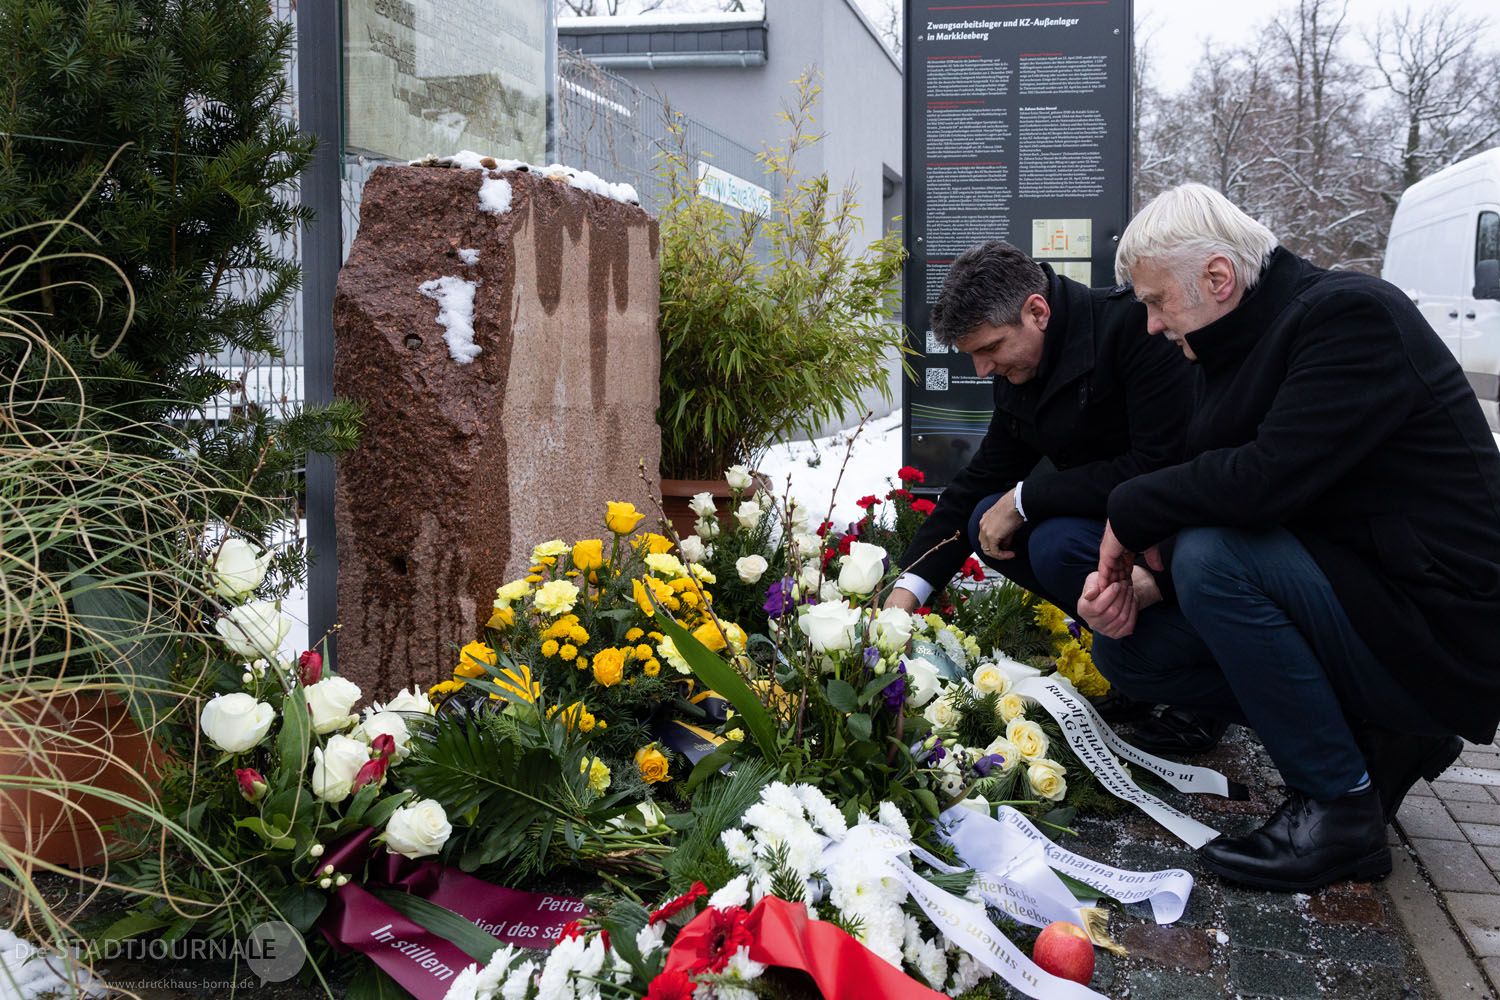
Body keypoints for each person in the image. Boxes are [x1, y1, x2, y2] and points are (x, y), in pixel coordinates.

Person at [1078, 183, 1500, 892]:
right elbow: (1253, 494)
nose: (1149, 324)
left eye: (1156, 301)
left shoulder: (1351, 315)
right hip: (1365, 590)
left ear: (1218, 277)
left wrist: (1130, 511)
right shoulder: (1232, 343)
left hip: (1439, 625)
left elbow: (1265, 482)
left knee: (1213, 559)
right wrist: (1152, 580)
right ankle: (1382, 736)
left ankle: (1339, 810)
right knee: (1132, 649)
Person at [886, 243, 1210, 731]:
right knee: (984, 521)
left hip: (1183, 535)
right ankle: (1140, 673)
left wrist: (1025, 498)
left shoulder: (1134, 329)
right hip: (1112, 528)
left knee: (1053, 543)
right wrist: (907, 590)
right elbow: (982, 478)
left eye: (990, 349)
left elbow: (1158, 465)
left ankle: (1195, 681)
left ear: (1037, 312)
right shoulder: (1022, 364)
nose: (982, 370)